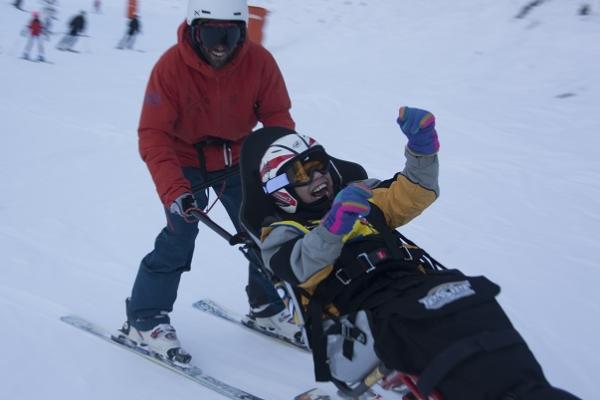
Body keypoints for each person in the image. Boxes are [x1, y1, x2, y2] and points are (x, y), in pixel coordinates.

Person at [250, 107, 581, 400]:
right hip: (362, 312)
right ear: (280, 190)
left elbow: (412, 193)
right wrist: (334, 225)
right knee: (431, 329)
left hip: (414, 287)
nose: (318, 177)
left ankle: (527, 389)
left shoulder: (361, 197)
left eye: (319, 166)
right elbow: (297, 267)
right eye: (301, 175)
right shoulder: (281, 234)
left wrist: (421, 149)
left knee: (475, 301)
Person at [116, 0, 297, 364]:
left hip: (239, 158)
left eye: (229, 34)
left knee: (268, 229)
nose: (219, 44)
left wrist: (281, 166)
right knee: (179, 236)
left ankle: (266, 306)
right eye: (211, 33)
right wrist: (175, 191)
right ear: (194, 30)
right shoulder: (171, 67)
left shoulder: (259, 63)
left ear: (242, 33)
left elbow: (277, 117)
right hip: (186, 162)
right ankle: (145, 317)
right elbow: (153, 133)